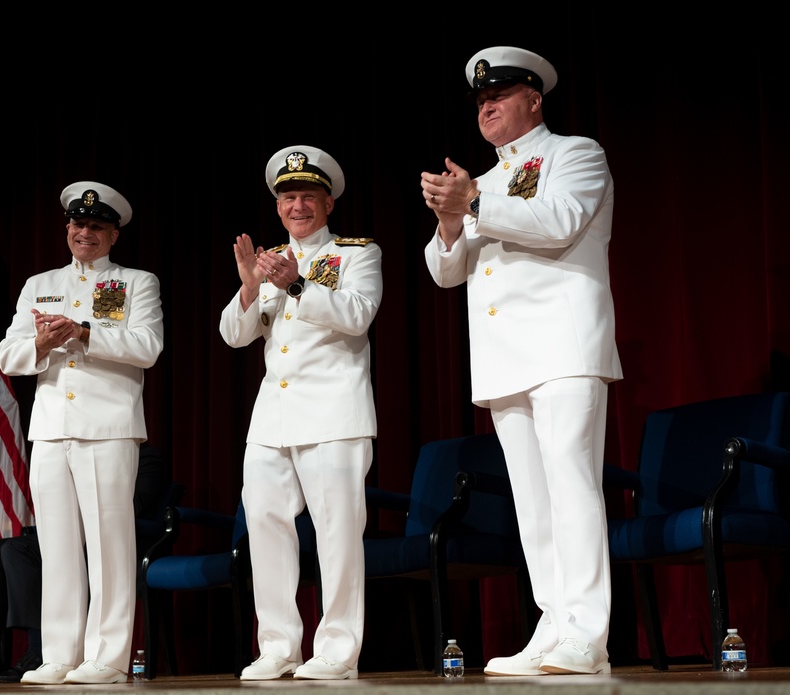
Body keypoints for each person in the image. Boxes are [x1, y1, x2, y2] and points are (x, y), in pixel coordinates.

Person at [420, 46, 622, 676]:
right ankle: (553, 622)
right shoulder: (484, 181)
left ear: (535, 99)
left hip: (564, 347)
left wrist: (474, 202)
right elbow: (446, 272)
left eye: (499, 96)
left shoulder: (575, 154)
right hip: (506, 360)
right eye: (480, 101)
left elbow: (560, 222)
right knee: (532, 502)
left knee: (571, 484)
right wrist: (451, 222)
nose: (487, 107)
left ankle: (587, 633)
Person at [219, 146, 382, 680]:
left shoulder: (357, 253)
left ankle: (336, 647)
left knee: (337, 533)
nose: (298, 205)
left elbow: (357, 316)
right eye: (288, 196)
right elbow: (234, 335)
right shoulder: (266, 263)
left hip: (335, 414)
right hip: (273, 418)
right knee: (264, 527)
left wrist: (295, 282)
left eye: (308, 196)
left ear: (328, 202)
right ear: (278, 206)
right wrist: (250, 284)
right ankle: (278, 645)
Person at [0, 181, 165, 684]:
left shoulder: (136, 282)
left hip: (108, 428)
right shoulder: (39, 283)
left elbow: (147, 346)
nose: (83, 233)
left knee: (110, 544)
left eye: (95, 226)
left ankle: (108, 658)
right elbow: (9, 355)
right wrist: (42, 345)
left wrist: (83, 332)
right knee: (57, 544)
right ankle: (60, 655)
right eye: (77, 224)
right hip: (50, 429)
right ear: (67, 228)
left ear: (113, 235)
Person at [0, 443, 172, 684]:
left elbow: (132, 507)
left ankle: (38, 652)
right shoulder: (73, 452)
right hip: (68, 532)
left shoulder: (143, 457)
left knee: (14, 551)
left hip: (105, 538)